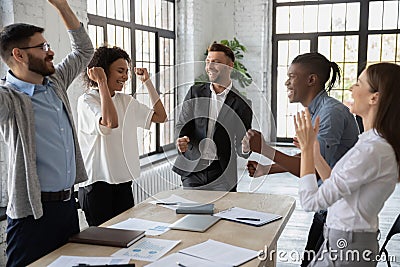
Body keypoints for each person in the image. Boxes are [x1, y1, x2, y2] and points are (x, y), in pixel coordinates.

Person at [242, 52, 359, 266]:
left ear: (311, 80)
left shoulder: (330, 113)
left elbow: (312, 168)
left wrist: (264, 149)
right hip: (328, 209)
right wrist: (267, 168)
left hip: (340, 213)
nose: (286, 81)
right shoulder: (317, 111)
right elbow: (308, 158)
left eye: (292, 76)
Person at [0, 0, 94, 265]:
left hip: (67, 206)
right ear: (18, 55)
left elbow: (84, 50)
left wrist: (62, 6)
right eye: (42, 47)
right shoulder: (8, 98)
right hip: (32, 214)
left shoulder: (55, 83)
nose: (49, 52)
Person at [294, 62, 400, 266]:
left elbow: (311, 201)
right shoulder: (370, 142)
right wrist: (315, 153)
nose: (352, 88)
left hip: (347, 249)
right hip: (344, 243)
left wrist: (306, 151)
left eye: (359, 83)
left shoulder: (373, 150)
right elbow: (338, 186)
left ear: (374, 98)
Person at [77, 46, 167, 226]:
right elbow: (110, 122)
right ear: (102, 71)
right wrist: (101, 83)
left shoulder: (125, 101)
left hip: (123, 183)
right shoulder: (87, 101)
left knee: (126, 240)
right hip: (97, 186)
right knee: (106, 245)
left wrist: (147, 82)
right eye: (120, 71)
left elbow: (161, 116)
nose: (125, 77)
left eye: (126, 72)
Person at [172, 42, 252, 192]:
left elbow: (241, 146)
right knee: (192, 213)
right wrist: (180, 139)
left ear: (230, 66)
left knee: (222, 214)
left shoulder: (242, 104)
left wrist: (246, 147)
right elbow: (181, 125)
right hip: (192, 170)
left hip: (222, 173)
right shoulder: (195, 93)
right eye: (208, 61)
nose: (209, 66)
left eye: (216, 62)